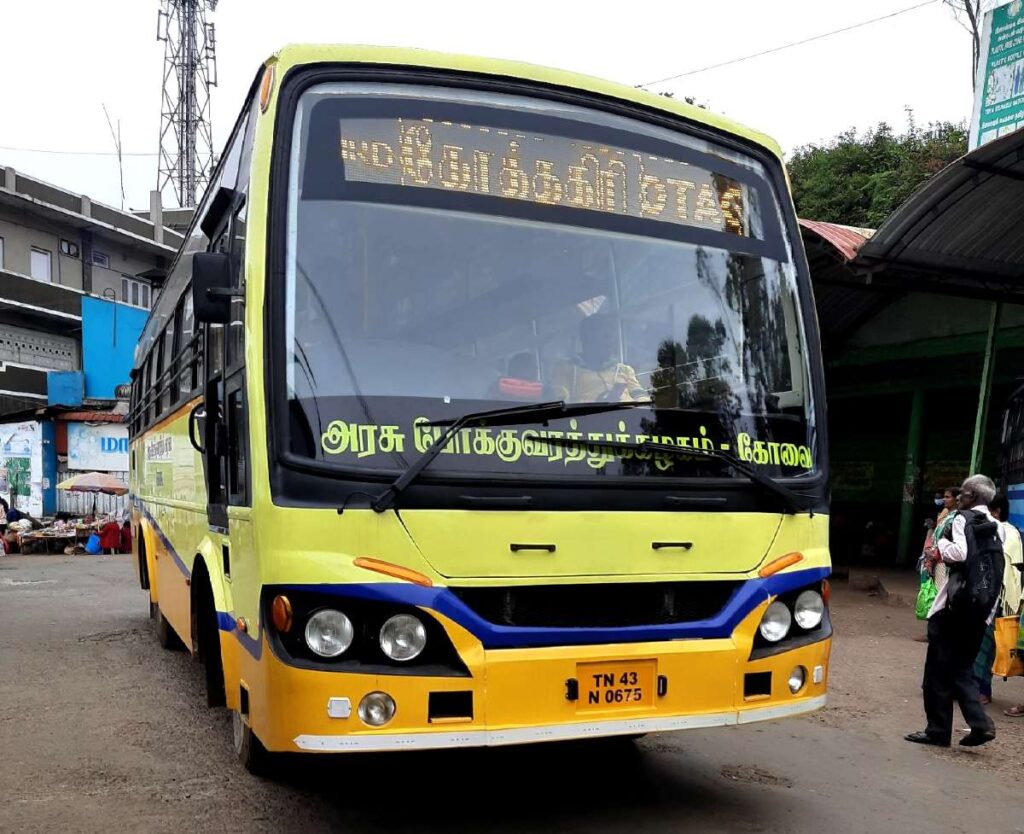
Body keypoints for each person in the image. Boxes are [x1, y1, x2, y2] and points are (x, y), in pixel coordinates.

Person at [905, 474, 1001, 748]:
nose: (959, 497)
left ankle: (938, 731)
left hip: (953, 608)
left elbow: (958, 553)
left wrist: (940, 545)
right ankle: (980, 724)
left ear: (972, 496)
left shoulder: (961, 519)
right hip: (980, 611)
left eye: (963, 493)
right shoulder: (998, 526)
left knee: (936, 670)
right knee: (961, 668)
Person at [972, 491, 1024, 703]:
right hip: (992, 595)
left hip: (997, 598)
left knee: (984, 645)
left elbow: (1004, 568)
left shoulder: (1004, 532)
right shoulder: (1010, 532)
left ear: (996, 511)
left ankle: (982, 690)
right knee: (983, 644)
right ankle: (976, 688)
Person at [548, 314, 649, 403]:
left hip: (632, 416)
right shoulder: (566, 369)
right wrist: (600, 404)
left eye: (612, 337)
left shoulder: (624, 370)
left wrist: (640, 403)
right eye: (606, 336)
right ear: (588, 339)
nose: (611, 342)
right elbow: (562, 403)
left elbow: (641, 397)